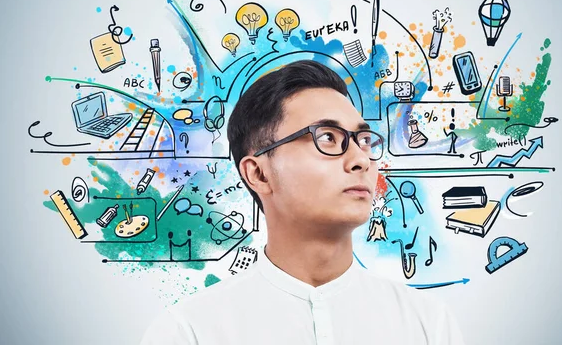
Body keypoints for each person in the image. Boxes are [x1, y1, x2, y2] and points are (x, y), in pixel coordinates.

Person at [140, 60, 465, 344]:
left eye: (364, 141)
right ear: (259, 174)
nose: (361, 161)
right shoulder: (188, 332)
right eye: (327, 138)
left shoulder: (429, 325)